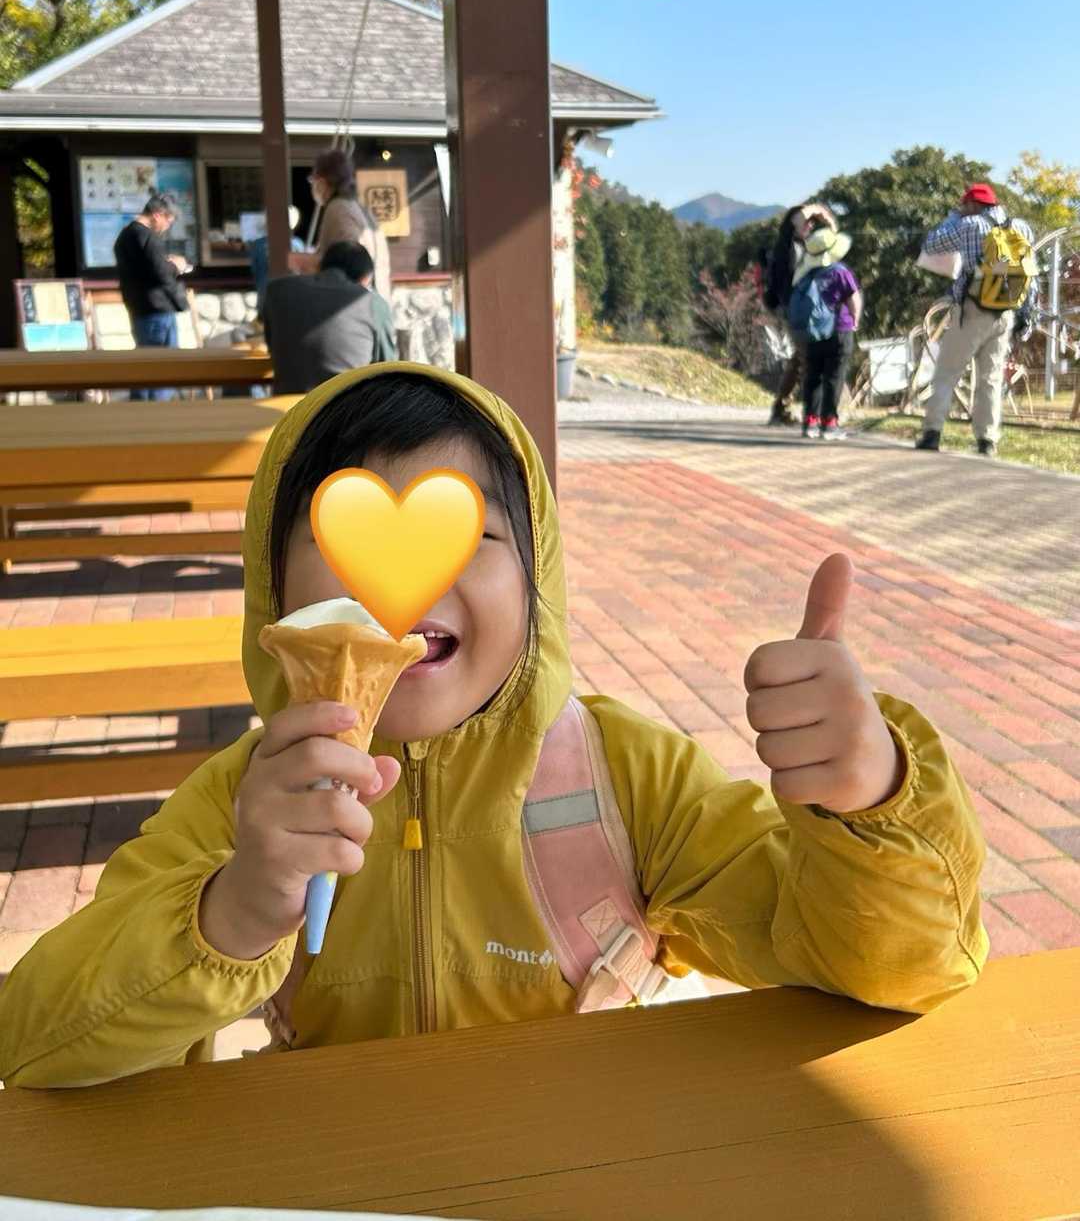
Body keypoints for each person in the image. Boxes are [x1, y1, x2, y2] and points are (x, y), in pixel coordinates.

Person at [0, 362, 988, 1088]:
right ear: (274, 587)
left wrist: (872, 801)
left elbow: (890, 971)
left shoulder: (627, 777)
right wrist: (230, 911)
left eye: (467, 535)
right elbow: (37, 1042)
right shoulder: (244, 802)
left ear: (536, 580)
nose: (404, 580)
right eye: (345, 536)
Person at [916, 183, 1037, 458]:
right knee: (991, 379)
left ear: (972, 205)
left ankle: (932, 433)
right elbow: (1031, 273)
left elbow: (931, 245)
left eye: (964, 205)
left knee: (947, 372)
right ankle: (987, 440)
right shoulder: (1021, 227)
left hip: (973, 310)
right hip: (1005, 312)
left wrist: (952, 218)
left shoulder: (969, 224)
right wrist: (1026, 314)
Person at [262, 241, 399, 395]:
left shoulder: (276, 291)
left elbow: (271, 344)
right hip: (346, 404)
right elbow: (388, 370)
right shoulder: (372, 303)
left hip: (287, 404)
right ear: (363, 279)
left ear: (320, 266)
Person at [113, 192, 192, 401]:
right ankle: (160, 411)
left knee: (144, 366)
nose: (167, 227)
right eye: (168, 221)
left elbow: (147, 269)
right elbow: (161, 273)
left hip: (138, 308)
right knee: (164, 368)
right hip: (157, 310)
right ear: (157, 215)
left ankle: (140, 410)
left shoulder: (125, 236)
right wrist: (176, 266)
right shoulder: (147, 237)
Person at [764, 202, 837, 425]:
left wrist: (825, 217)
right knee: (811, 359)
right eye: (807, 222)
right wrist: (813, 210)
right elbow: (797, 220)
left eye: (813, 223)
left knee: (799, 360)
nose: (811, 225)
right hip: (793, 309)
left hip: (804, 308)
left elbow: (833, 235)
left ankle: (781, 408)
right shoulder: (786, 246)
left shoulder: (808, 246)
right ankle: (815, 414)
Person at [791, 222, 862, 441]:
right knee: (834, 376)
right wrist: (855, 320)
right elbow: (853, 299)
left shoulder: (806, 274)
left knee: (813, 375)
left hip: (812, 333)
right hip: (838, 330)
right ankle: (829, 424)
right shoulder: (840, 272)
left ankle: (810, 422)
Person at [303, 149, 391, 302]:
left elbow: (346, 261)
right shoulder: (358, 207)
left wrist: (302, 261)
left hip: (354, 302)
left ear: (323, 182)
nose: (314, 186)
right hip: (376, 299)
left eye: (314, 180)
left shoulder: (337, 208)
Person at [248, 205, 306, 311]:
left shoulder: (257, 245)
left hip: (266, 297)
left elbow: (255, 271)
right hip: (293, 298)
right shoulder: (298, 245)